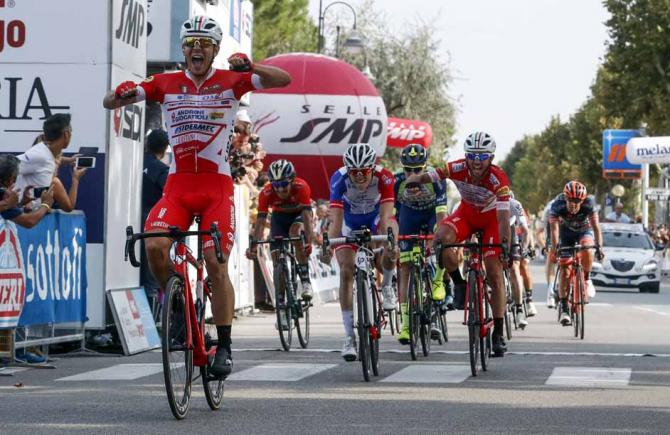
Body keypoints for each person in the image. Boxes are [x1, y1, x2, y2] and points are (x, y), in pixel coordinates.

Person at [102, 15, 291, 378]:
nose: (197, 49)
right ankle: (178, 307)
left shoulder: (231, 81)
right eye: (190, 43)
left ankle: (226, 345)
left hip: (216, 188)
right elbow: (109, 103)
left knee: (215, 261)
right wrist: (121, 91)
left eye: (204, 43)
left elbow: (284, 80)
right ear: (183, 49)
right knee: (155, 245)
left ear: (216, 50)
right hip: (179, 188)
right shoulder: (166, 82)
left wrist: (253, 67)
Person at [407, 132, 512, 357]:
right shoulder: (457, 168)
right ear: (466, 156)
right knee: (441, 240)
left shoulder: (498, 179)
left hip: (492, 219)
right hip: (466, 214)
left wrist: (505, 245)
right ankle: (459, 284)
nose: (476, 161)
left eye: (482, 156)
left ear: (491, 157)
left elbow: (503, 219)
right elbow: (432, 175)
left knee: (494, 271)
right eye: (472, 155)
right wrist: (414, 180)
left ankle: (498, 333)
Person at [320, 143, 399, 361]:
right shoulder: (339, 178)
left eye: (364, 171)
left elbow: (384, 219)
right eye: (354, 172)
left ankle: (387, 285)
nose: (359, 177)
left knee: (391, 236)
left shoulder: (385, 177)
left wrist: (388, 243)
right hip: (349, 223)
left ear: (372, 169)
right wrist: (329, 244)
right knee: (346, 271)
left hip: (375, 221)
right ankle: (349, 336)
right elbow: (335, 220)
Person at [393, 143, 449, 344]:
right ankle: (406, 324)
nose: (412, 174)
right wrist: (393, 237)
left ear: (425, 167)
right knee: (406, 267)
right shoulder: (397, 180)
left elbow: (442, 214)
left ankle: (437, 281)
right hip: (409, 215)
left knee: (443, 238)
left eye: (418, 169)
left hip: (431, 213)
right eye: (408, 169)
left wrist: (439, 236)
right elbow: (393, 216)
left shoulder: (436, 179)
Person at [247, 159, 315, 312]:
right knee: (277, 256)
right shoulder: (266, 193)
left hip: (299, 215)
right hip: (279, 218)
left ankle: (305, 281)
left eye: (284, 184)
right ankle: (281, 303)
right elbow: (260, 222)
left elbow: (307, 217)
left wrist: (308, 242)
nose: (281, 190)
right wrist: (254, 245)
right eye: (276, 185)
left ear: (292, 180)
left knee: (295, 232)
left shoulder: (301, 186)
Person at [549, 181, 604, 326]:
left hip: (584, 231)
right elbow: (554, 230)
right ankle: (565, 307)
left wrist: (599, 247)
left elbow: (596, 227)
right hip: (566, 235)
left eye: (577, 201)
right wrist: (555, 250)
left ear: (582, 200)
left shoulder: (589, 204)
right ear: (565, 198)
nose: (573, 204)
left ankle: (586, 278)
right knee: (565, 271)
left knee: (587, 247)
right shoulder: (557, 205)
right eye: (570, 200)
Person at [16, 114, 75, 205]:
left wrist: (69, 160)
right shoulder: (39, 155)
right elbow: (8, 166)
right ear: (66, 134)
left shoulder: (47, 154)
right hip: (21, 216)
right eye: (71, 132)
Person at [141, 129, 170, 311]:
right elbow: (169, 196)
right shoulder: (162, 170)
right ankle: (151, 323)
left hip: (126, 222)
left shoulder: (133, 162)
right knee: (151, 276)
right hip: (152, 224)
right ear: (166, 148)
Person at [0, 154, 54, 228]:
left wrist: (20, 203)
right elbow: (29, 221)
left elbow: (8, 212)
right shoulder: (4, 197)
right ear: (11, 178)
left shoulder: (3, 196)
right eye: (15, 177)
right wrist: (46, 204)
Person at [508, 194, 530, 328]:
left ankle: (519, 309)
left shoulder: (514, 204)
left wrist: (524, 250)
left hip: (510, 234)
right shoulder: (485, 201)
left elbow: (525, 231)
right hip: (492, 232)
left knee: (515, 269)